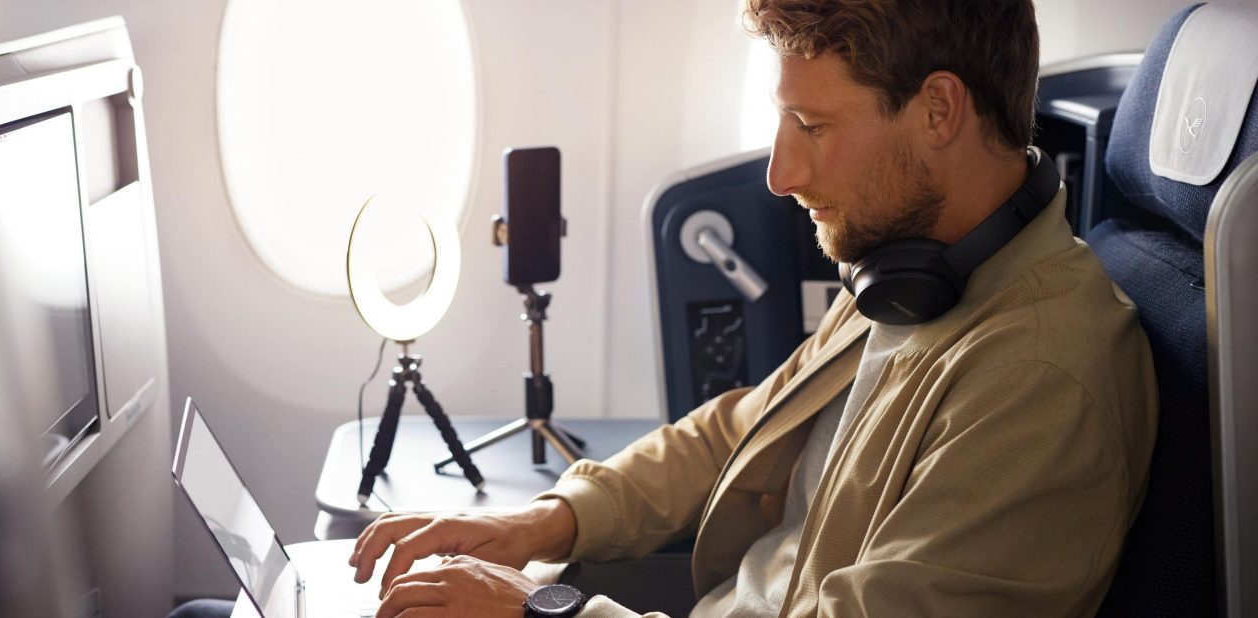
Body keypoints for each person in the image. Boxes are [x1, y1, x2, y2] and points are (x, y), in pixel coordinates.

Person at [350, 0, 1158, 616]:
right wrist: (544, 523)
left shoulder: (1044, 380)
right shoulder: (912, 273)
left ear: (939, 111)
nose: (779, 172)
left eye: (811, 124)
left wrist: (537, 605)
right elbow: (739, 430)